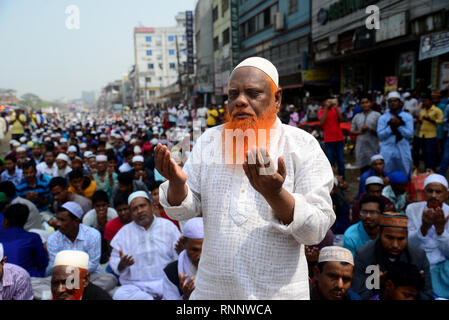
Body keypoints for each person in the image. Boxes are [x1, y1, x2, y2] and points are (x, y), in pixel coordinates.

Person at [156, 57, 335, 299]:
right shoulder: (209, 141)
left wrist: (275, 195)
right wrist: (177, 184)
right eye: (233, 94)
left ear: (277, 99)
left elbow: (315, 231)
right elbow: (185, 211)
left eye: (252, 93)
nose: (240, 101)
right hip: (212, 292)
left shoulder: (301, 145)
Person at [110, 191, 180, 300]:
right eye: (135, 209)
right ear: (131, 213)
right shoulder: (123, 233)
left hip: (164, 282)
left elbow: (178, 258)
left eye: (142, 206)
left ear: (151, 206)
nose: (139, 211)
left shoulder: (168, 227)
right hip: (137, 286)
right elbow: (114, 261)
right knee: (120, 295)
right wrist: (122, 264)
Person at [351, 212, 433, 300]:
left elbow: (427, 295)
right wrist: (377, 284)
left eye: (401, 239)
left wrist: (415, 283)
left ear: (407, 235)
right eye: (389, 238)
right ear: (379, 233)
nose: (395, 245)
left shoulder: (418, 256)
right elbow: (357, 295)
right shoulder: (364, 255)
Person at [406, 174, 449, 299]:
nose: (434, 196)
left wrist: (441, 230)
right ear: (424, 192)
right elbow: (407, 244)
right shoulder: (413, 209)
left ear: (446, 194)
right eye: (430, 191)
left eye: (438, 192)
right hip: (416, 262)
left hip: (442, 265)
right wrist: (424, 228)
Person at [46, 201, 101, 274]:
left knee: (109, 279)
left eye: (62, 220)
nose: (58, 224)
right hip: (63, 276)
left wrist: (74, 275)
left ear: (76, 221)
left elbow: (93, 264)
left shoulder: (93, 235)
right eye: (57, 219)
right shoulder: (53, 239)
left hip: (88, 275)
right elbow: (56, 265)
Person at [0, 204, 48, 277]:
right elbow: (43, 264)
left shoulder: (32, 238)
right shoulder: (33, 238)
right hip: (29, 278)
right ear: (25, 221)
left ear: (5, 221)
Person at [162, 217, 204, 300]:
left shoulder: (218, 269)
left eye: (204, 250)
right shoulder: (171, 272)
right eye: (194, 250)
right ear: (184, 244)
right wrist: (186, 297)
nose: (200, 256)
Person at [377, 91, 414, 176]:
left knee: (404, 173)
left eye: (395, 101)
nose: (392, 103)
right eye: (390, 101)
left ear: (400, 103)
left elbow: (409, 135)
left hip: (403, 150)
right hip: (387, 150)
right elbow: (380, 135)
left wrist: (399, 126)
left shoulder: (407, 117)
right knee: (386, 173)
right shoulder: (383, 118)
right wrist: (391, 127)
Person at [82, 190, 118, 264]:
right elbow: (86, 238)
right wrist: (100, 226)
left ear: (108, 204)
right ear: (93, 206)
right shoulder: (88, 218)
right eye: (98, 206)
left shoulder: (113, 214)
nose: (101, 209)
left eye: (104, 205)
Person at [350, 94, 381, 174]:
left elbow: (381, 132)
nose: (365, 104)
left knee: (375, 168)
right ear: (360, 105)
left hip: (373, 146)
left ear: (371, 103)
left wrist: (369, 129)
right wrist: (361, 132)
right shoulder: (357, 116)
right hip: (361, 147)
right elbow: (352, 130)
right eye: (362, 103)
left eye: (367, 102)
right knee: (363, 171)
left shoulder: (377, 115)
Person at [319, 97, 345, 179]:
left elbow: (341, 120)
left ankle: (342, 180)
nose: (329, 102)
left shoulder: (336, 109)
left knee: (340, 161)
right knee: (330, 161)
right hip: (328, 140)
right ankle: (332, 180)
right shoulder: (321, 111)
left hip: (339, 139)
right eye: (327, 101)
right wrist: (326, 108)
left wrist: (336, 107)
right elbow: (322, 122)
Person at [417, 91, 443, 171]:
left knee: (430, 153)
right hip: (422, 134)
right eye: (423, 101)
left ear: (430, 101)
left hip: (431, 135)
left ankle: (432, 169)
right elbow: (421, 121)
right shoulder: (422, 110)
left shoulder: (436, 110)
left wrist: (430, 120)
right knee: (424, 154)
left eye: (425, 101)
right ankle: (427, 169)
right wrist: (419, 120)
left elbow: (441, 121)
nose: (424, 102)